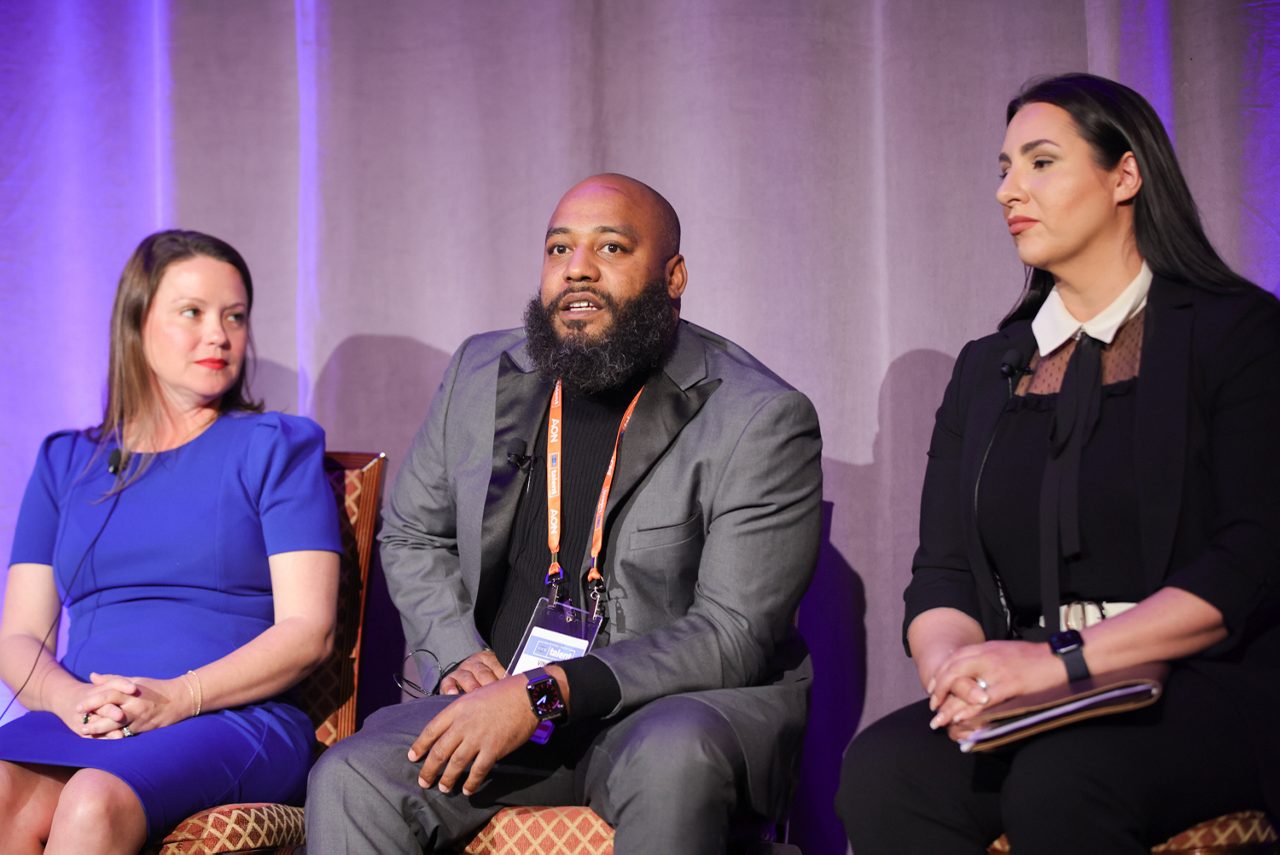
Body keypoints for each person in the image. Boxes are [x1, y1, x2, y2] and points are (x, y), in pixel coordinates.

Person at [305, 173, 823, 852]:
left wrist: (548, 692)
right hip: (504, 705)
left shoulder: (759, 416)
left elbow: (730, 634)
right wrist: (461, 653)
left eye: (610, 248)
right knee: (352, 775)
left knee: (675, 758)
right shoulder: (481, 370)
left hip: (660, 713)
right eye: (558, 250)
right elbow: (413, 532)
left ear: (674, 275)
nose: (577, 268)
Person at [836, 72, 1280, 853]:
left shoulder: (1237, 333)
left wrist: (1060, 662)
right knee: (883, 770)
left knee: (1062, 776)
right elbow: (942, 573)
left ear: (1125, 175)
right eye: (1003, 168)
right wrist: (954, 676)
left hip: (1204, 677)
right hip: (1033, 685)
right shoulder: (986, 367)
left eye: (1040, 162)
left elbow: (1249, 559)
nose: (1011, 190)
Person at [0, 230, 342, 853]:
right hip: (90, 716)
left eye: (234, 316)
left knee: (92, 799)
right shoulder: (65, 461)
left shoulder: (275, 446)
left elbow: (309, 630)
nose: (219, 334)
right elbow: (19, 634)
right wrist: (68, 697)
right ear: (137, 323)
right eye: (193, 312)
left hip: (228, 716)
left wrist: (178, 697)